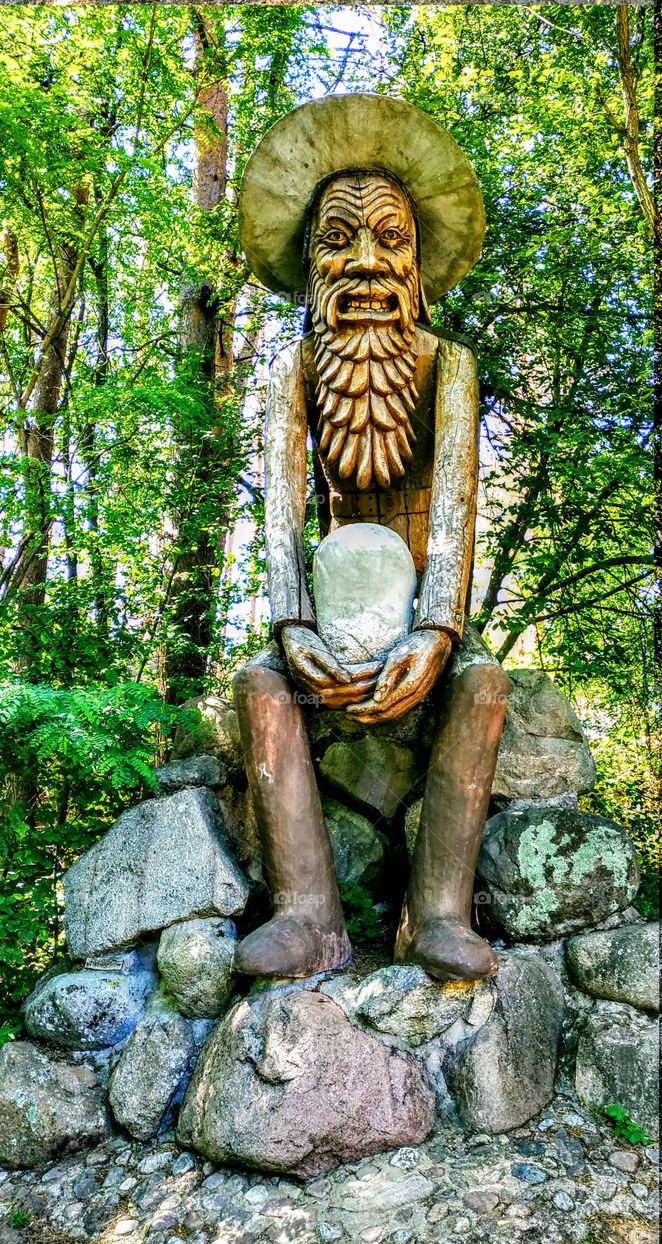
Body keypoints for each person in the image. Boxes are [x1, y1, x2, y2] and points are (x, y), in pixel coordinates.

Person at [232, 94, 510, 983]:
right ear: (311, 260)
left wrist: (437, 631)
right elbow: (282, 515)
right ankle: (308, 913)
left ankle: (437, 913)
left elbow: (457, 506)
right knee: (259, 685)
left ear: (418, 260)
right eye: (338, 239)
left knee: (485, 686)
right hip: (330, 616)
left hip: (423, 617)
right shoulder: (294, 368)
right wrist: (293, 627)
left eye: (389, 239)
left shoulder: (448, 365)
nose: (364, 262)